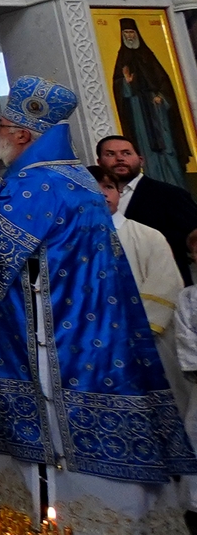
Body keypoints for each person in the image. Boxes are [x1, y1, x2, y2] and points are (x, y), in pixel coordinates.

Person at [0, 76, 197, 535]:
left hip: (54, 336)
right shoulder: (74, 178)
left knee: (61, 426)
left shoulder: (39, 179)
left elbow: (0, 251)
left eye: (1, 126)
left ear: (20, 133)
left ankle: (73, 526)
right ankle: (113, 528)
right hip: (89, 327)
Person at [91, 165, 187, 420]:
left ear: (119, 192)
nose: (103, 193)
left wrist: (129, 332)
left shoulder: (147, 236)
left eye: (109, 187)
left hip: (148, 341)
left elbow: (165, 285)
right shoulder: (71, 243)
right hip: (97, 345)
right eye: (95, 187)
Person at [108, 19, 194, 189]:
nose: (130, 36)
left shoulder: (148, 55)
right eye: (126, 33)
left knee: (168, 147)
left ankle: (178, 186)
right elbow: (118, 87)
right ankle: (154, 186)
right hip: (137, 111)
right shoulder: (122, 58)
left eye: (132, 32)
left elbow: (164, 81)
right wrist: (126, 82)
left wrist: (161, 96)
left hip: (159, 111)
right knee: (146, 150)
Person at [100, 133, 197, 281]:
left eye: (126, 153)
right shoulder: (90, 199)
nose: (120, 158)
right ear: (99, 162)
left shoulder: (170, 195)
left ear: (141, 160)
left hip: (163, 285)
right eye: (110, 154)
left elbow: (193, 237)